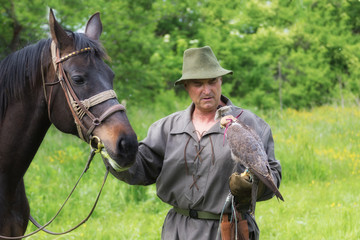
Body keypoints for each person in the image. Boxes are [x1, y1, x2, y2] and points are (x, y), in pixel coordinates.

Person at [106, 46, 282, 240]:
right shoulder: (167, 128)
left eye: (212, 81)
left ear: (220, 81)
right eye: (198, 84)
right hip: (178, 231)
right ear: (186, 86)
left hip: (229, 229)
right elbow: (141, 169)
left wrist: (251, 186)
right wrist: (112, 149)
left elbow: (272, 175)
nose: (207, 90)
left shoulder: (250, 124)